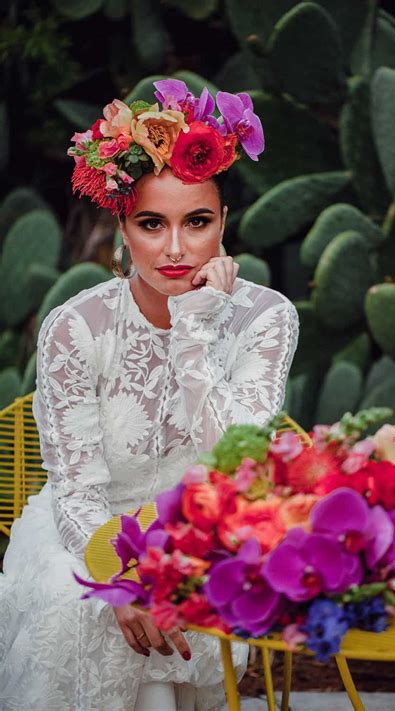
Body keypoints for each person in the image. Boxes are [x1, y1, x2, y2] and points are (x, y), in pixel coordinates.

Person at [0, 79, 299, 710]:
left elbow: (236, 463)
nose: (173, 248)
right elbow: (77, 486)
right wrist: (119, 574)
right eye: (150, 223)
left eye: (196, 222)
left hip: (208, 526)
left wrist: (195, 328)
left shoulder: (265, 317)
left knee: (186, 598)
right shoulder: (77, 326)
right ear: (122, 227)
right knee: (82, 605)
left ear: (224, 222)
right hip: (88, 524)